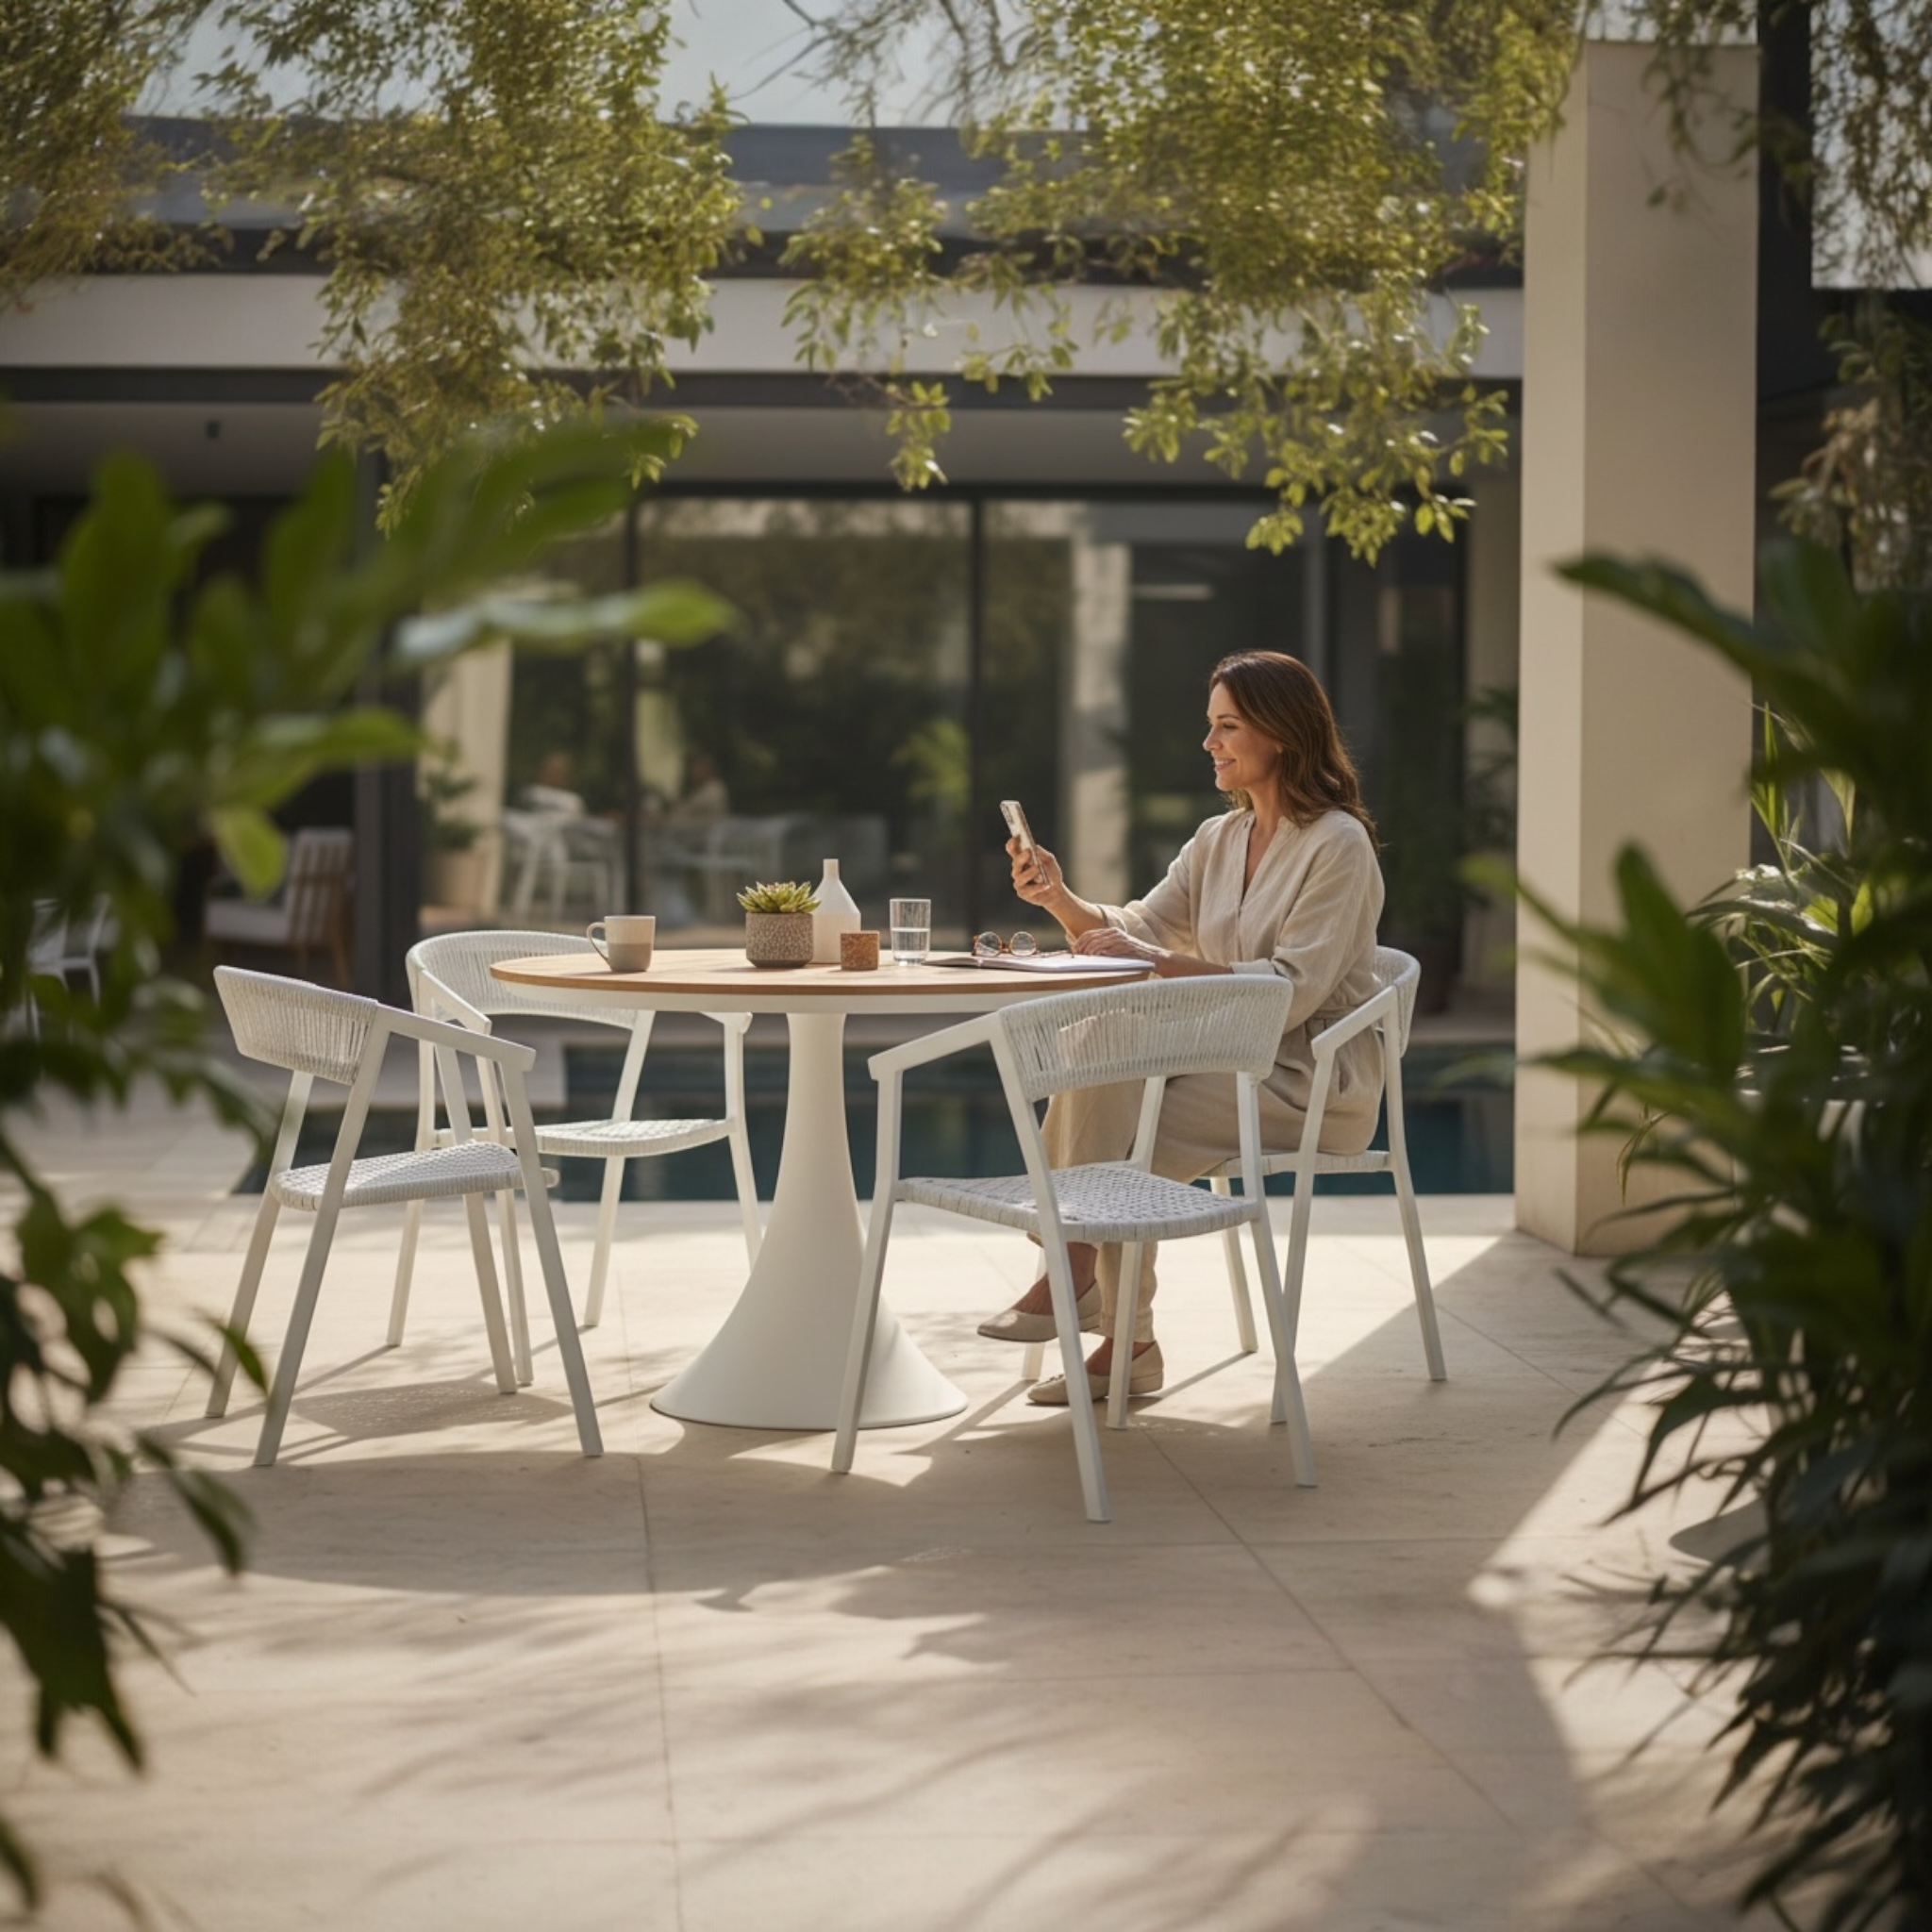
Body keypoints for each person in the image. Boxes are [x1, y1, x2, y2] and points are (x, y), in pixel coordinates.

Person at [984, 649, 1386, 1405]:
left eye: (1227, 727)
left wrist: (1152, 961)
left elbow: (1293, 991)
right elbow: (1140, 928)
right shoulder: (1217, 838)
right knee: (1102, 1050)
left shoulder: (1339, 845)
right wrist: (1060, 899)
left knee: (1121, 1125)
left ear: (1282, 733)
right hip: (1223, 1056)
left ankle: (1105, 1310)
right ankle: (1098, 1297)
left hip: (1307, 1079)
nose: (1210, 744)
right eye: (1211, 727)